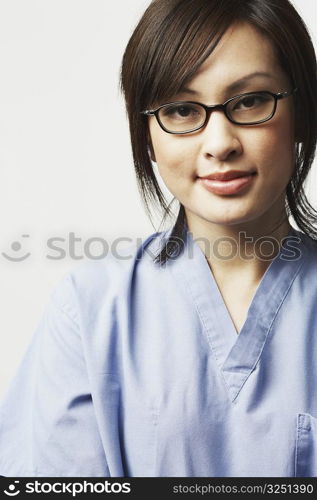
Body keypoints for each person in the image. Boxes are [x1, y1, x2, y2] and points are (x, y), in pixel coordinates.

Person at [1, 0, 317, 478]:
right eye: (182, 110)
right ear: (147, 136)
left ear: (304, 112)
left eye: (250, 100)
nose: (219, 143)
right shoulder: (90, 308)